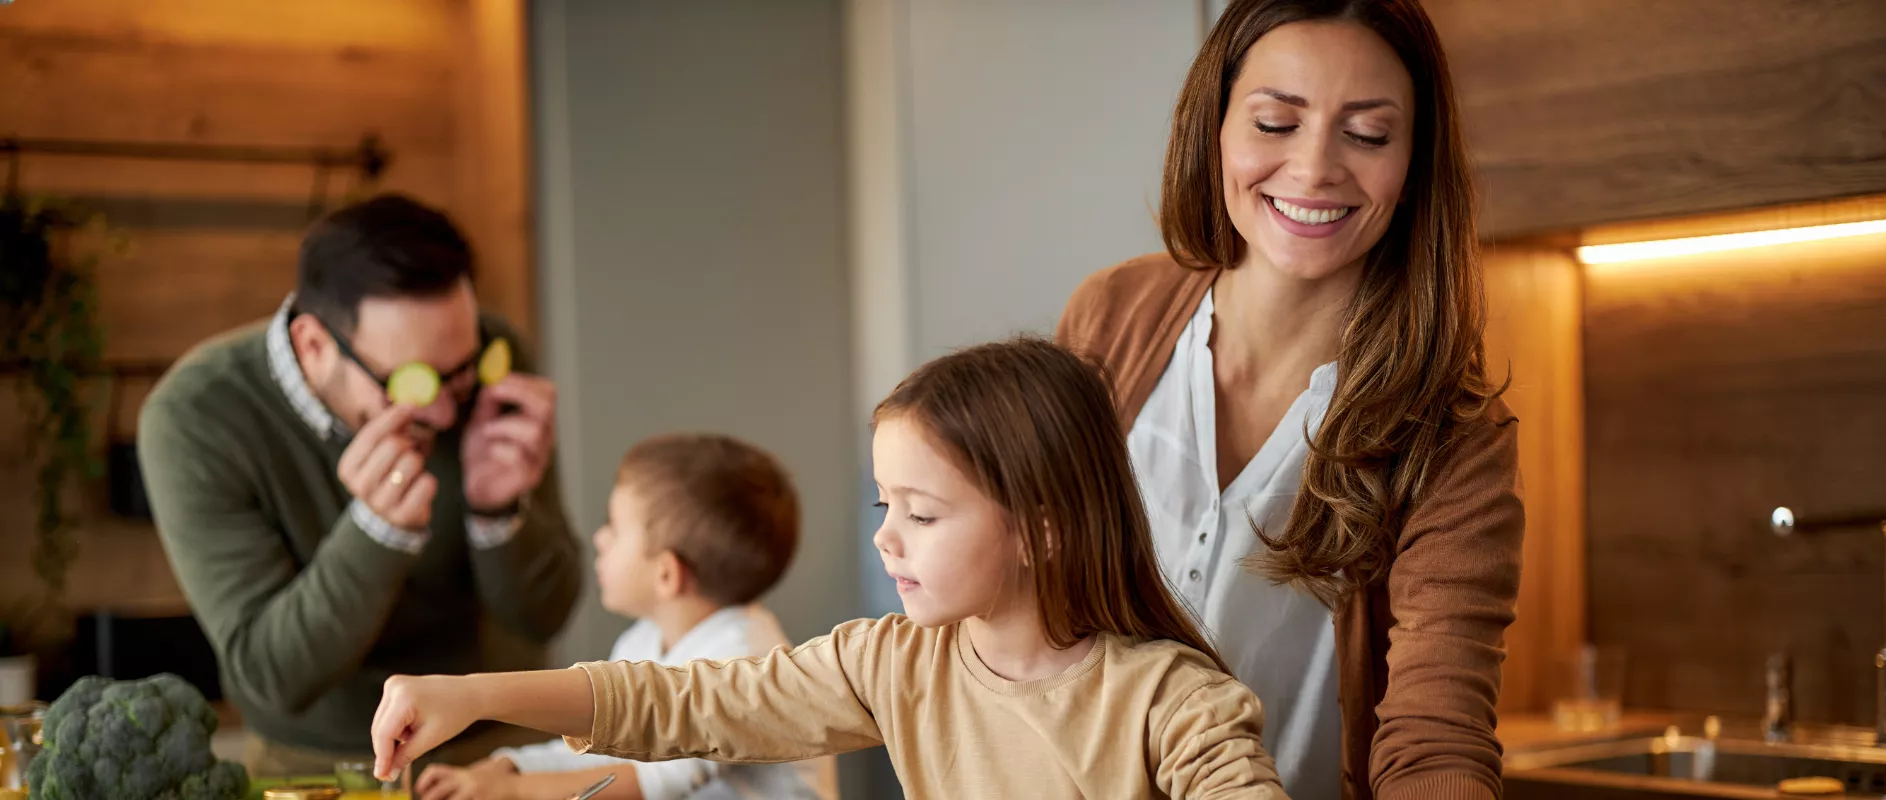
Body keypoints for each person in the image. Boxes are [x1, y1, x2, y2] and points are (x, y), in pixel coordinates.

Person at [366, 338, 1291, 799]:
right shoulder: (888, 665)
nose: (887, 539)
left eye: (922, 514)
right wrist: (473, 694)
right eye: (884, 506)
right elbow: (683, 704)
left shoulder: (1175, 703)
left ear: (1041, 530)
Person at [1055, 1, 1525, 798]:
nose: (1313, 170)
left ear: (1414, 164)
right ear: (1217, 130)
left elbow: (1435, 733)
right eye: (1276, 123)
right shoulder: (1111, 318)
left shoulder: (1454, 437)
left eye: (1368, 135)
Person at [139, 194, 584, 773]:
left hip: (500, 748)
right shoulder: (194, 416)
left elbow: (545, 616)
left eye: (461, 373)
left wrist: (497, 514)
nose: (448, 414)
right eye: (414, 381)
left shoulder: (495, 360)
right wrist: (377, 531)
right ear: (315, 346)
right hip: (321, 765)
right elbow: (273, 675)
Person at [414, 433, 838, 800]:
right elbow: (600, 747)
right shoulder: (643, 641)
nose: (599, 539)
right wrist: (507, 769)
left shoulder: (744, 661)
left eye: (613, 527)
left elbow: (656, 781)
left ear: (667, 574)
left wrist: (513, 792)